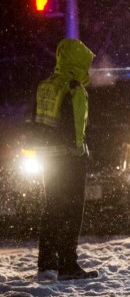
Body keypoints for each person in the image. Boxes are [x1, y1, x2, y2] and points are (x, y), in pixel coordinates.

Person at [29, 38, 98, 281]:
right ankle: (69, 264)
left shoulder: (48, 85)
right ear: (78, 62)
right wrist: (81, 152)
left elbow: (35, 120)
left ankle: (47, 262)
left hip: (47, 157)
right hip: (69, 159)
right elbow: (78, 128)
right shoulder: (74, 88)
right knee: (71, 211)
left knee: (52, 209)